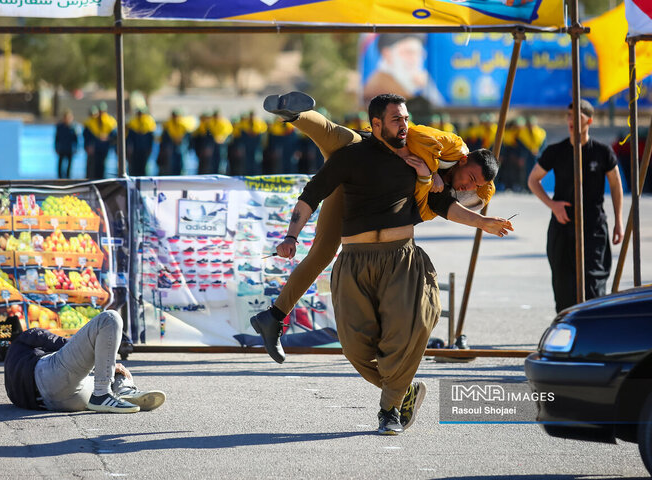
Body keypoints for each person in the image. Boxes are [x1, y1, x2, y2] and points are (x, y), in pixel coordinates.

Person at [255, 92, 512, 435]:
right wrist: (417, 162)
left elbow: (445, 205)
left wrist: (473, 214)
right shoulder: (444, 147)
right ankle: (294, 114)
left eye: (477, 187)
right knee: (340, 144)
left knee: (326, 248)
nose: (469, 186)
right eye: (471, 179)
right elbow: (408, 137)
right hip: (364, 162)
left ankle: (274, 317)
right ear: (464, 162)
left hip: (383, 225)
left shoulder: (441, 185)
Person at [527, 100, 623, 313]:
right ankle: (567, 334)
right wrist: (553, 205)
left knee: (593, 286)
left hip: (594, 228)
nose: (571, 121)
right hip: (563, 226)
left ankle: (593, 335)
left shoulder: (602, 152)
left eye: (576, 117)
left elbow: (616, 185)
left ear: (589, 120)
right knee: (563, 288)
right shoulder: (556, 151)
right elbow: (533, 180)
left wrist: (619, 222)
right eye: (569, 116)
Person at [4, 310, 165, 413]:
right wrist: (94, 357)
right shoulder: (25, 338)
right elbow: (53, 340)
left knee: (106, 370)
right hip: (48, 378)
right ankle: (111, 391)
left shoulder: (14, 363)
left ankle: (121, 392)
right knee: (109, 318)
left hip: (54, 402)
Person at [362, 34, 444, 106]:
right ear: (387, 54)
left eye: (419, 53)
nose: (415, 60)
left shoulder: (401, 85)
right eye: (409, 52)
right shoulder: (381, 86)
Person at [83, 103, 117, 180]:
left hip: (104, 146)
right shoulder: (92, 121)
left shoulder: (110, 121)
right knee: (92, 166)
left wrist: (108, 138)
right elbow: (87, 134)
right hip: (94, 147)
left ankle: (100, 180)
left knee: (102, 164)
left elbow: (114, 135)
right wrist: (88, 145)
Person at [158, 110, 193, 176]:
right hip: (171, 146)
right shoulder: (168, 125)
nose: (175, 117)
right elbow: (164, 138)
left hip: (181, 146)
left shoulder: (184, 125)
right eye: (174, 116)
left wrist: (182, 140)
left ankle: (182, 176)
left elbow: (188, 137)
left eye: (177, 116)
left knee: (182, 162)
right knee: (171, 163)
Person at [126, 107, 157, 176]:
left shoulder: (149, 122)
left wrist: (150, 149)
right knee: (134, 167)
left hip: (145, 149)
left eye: (141, 113)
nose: (140, 115)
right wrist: (129, 149)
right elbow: (129, 139)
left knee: (144, 167)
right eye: (139, 113)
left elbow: (151, 139)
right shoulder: (132, 122)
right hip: (135, 150)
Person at [54, 109, 79, 179]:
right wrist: (56, 147)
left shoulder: (74, 127)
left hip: (70, 149)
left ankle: (68, 177)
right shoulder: (60, 127)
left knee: (69, 165)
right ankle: (60, 178)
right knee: (60, 164)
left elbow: (76, 139)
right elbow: (56, 138)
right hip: (62, 148)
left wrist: (76, 148)